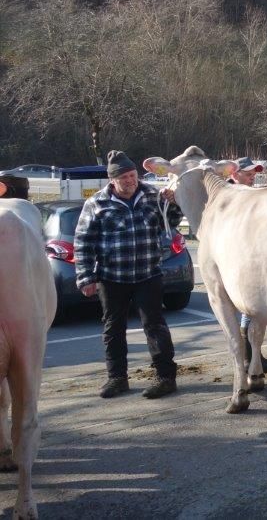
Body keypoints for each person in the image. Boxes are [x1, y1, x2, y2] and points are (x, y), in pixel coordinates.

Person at [74, 151, 180, 399]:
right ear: (113, 181)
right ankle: (117, 378)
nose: (131, 181)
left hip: (148, 273)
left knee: (155, 326)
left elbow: (171, 222)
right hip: (112, 277)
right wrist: (85, 277)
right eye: (124, 178)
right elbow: (82, 242)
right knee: (113, 328)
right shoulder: (97, 203)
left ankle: (165, 377)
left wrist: (173, 203)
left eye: (133, 175)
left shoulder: (152, 195)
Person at [227, 158, 267, 374]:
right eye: (248, 173)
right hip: (238, 261)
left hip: (254, 259)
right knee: (248, 309)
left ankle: (253, 357)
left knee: (251, 311)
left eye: (254, 173)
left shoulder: (250, 195)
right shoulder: (230, 197)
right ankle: (250, 358)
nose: (252, 176)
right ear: (234, 174)